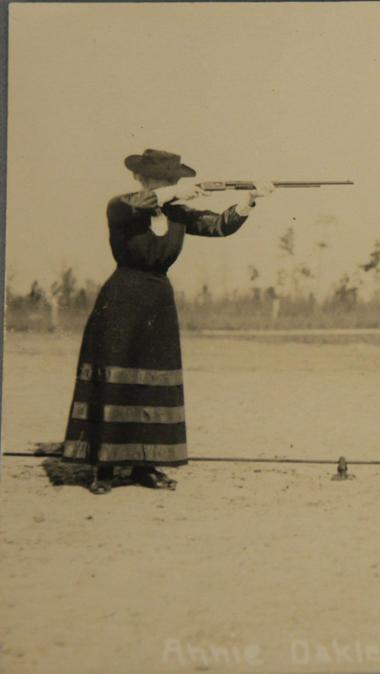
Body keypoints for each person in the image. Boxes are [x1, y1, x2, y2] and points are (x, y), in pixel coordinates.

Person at [60, 149, 274, 494]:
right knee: (115, 381)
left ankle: (146, 466)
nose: (169, 184)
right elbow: (142, 203)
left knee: (153, 383)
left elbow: (218, 226)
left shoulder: (177, 214)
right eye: (163, 179)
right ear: (142, 178)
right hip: (122, 299)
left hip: (158, 302)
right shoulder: (121, 206)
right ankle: (104, 469)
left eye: (172, 180)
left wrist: (250, 200)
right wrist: (174, 193)